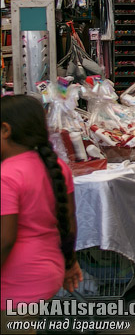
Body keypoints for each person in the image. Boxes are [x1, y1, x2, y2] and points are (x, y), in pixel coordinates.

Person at [1, 95, 82, 314]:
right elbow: (69, 219)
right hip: (49, 267)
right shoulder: (56, 166)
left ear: (5, 130)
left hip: (16, 277)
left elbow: (5, 239)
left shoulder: (7, 176)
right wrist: (69, 260)